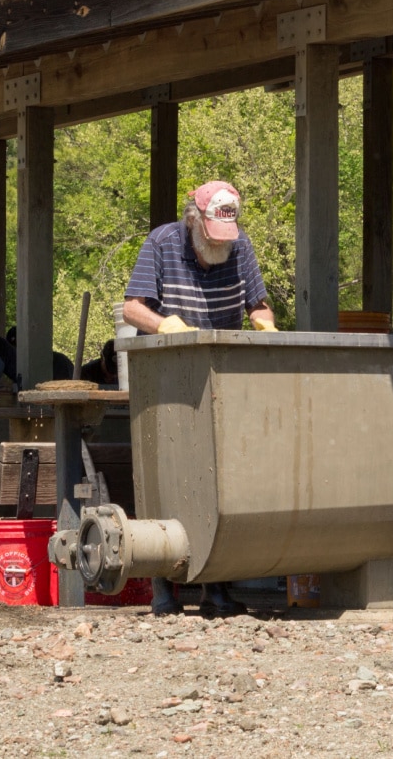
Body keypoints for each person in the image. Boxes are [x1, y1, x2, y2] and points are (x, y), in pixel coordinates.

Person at [123, 180, 275, 617]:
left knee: (219, 477)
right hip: (165, 371)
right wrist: (165, 326)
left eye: (225, 236)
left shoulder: (240, 244)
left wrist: (266, 326)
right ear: (194, 219)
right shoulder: (163, 242)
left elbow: (257, 305)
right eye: (211, 235)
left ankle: (217, 587)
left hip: (217, 371)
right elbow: (132, 307)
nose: (219, 244)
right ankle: (162, 586)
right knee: (163, 473)